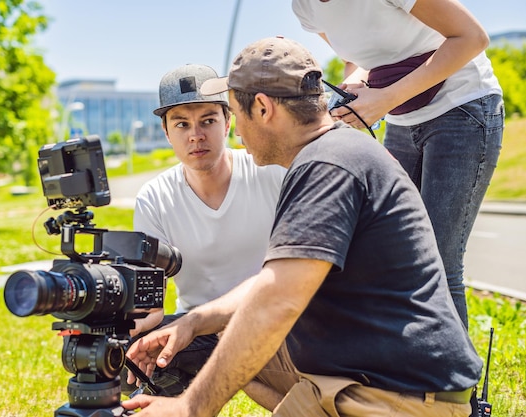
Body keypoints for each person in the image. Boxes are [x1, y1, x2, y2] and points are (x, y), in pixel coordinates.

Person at [122, 36, 483, 417]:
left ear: (261, 108)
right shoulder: (331, 153)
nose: (236, 133)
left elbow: (277, 301)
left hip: (397, 397)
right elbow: (269, 289)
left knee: (248, 333)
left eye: (232, 115)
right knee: (230, 338)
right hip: (377, 374)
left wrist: (189, 408)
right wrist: (194, 321)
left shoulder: (328, 167)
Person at [291, 0, 505, 328]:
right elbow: (357, 58)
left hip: (462, 107)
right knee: (396, 252)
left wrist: (386, 99)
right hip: (402, 121)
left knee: (437, 261)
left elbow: (471, 38)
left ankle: (456, 379)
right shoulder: (305, 6)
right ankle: (409, 369)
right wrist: (357, 86)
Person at [122, 63, 292, 408]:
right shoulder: (155, 197)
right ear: (166, 132)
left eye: (208, 121)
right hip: (198, 329)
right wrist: (126, 331)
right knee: (122, 352)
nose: (195, 135)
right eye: (181, 124)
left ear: (228, 121)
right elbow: (152, 306)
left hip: (277, 320)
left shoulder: (270, 172)